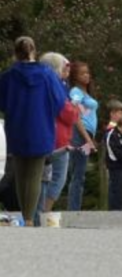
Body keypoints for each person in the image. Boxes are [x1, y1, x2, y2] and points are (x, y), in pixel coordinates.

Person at [0, 37, 68, 226]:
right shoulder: (47, 74)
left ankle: (26, 216)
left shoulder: (8, 75)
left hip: (17, 126)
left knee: (21, 174)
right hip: (41, 126)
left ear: (15, 52)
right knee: (36, 175)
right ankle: (29, 218)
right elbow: (59, 101)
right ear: (34, 51)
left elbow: (2, 102)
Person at [36, 52, 78, 222]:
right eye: (64, 69)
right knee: (57, 178)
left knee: (44, 177)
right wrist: (75, 110)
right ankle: (44, 212)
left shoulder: (43, 85)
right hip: (57, 139)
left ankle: (39, 212)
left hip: (48, 136)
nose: (66, 73)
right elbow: (67, 113)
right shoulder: (56, 87)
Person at [66, 61, 99, 211]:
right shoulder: (76, 92)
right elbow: (75, 115)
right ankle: (73, 210)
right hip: (79, 135)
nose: (86, 75)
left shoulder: (85, 92)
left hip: (86, 134)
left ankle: (74, 208)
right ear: (75, 76)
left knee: (79, 173)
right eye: (82, 73)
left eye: (87, 72)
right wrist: (87, 139)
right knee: (78, 173)